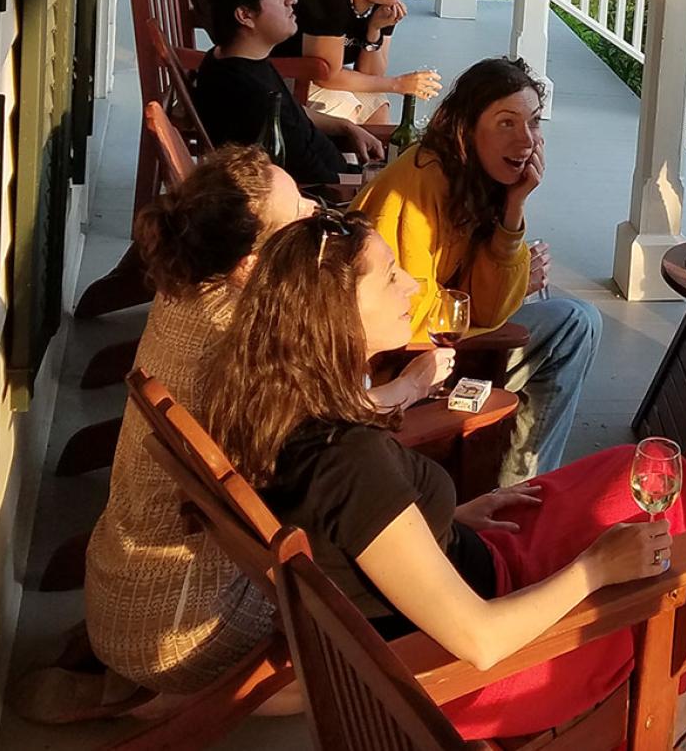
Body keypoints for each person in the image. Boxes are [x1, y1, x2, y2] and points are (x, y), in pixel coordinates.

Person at [199, 211, 686, 746]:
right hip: (469, 665)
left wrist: (439, 519)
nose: (411, 285)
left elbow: (348, 534)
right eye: (390, 276)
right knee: (665, 547)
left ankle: (672, 679)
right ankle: (668, 700)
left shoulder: (280, 408)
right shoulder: (348, 462)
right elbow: (482, 640)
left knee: (641, 469)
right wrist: (595, 570)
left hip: (449, 570)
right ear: (336, 315)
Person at [69, 145, 438, 718]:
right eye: (299, 214)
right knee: (355, 546)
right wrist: (410, 387)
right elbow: (329, 424)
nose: (317, 214)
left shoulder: (189, 281)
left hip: (122, 588)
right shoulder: (246, 343)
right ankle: (178, 707)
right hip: (182, 630)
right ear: (248, 264)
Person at [352, 57, 601, 483]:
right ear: (466, 129)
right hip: (401, 367)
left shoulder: (473, 179)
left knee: (574, 319)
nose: (525, 140)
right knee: (573, 325)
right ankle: (525, 489)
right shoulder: (417, 187)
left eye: (533, 122)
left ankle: (522, 485)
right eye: (506, 123)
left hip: (443, 346)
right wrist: (516, 286)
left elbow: (489, 308)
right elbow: (409, 319)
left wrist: (514, 209)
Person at [189, 0, 382, 186]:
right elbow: (313, 182)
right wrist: (378, 184)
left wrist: (345, 126)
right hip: (329, 196)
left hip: (338, 175)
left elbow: (288, 112)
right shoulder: (249, 97)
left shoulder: (235, 60)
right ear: (245, 15)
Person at [272, 0, 441, 124]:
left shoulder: (381, 2)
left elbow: (372, 74)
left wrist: (374, 30)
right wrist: (398, 84)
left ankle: (376, 146)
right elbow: (327, 76)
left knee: (376, 102)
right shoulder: (330, 3)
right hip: (283, 75)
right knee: (344, 105)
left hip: (321, 76)